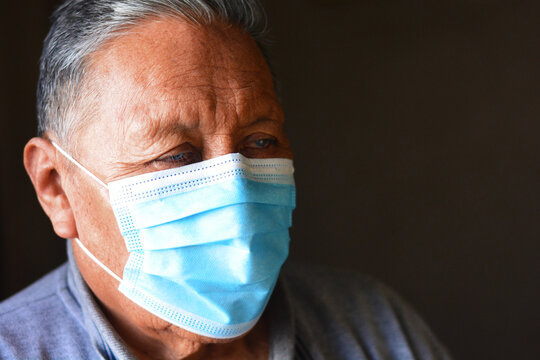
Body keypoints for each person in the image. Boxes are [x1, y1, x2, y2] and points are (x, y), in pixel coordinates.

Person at [0, 0, 452, 359]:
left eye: (260, 142)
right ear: (55, 187)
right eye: (176, 155)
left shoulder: (373, 328)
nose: (234, 188)